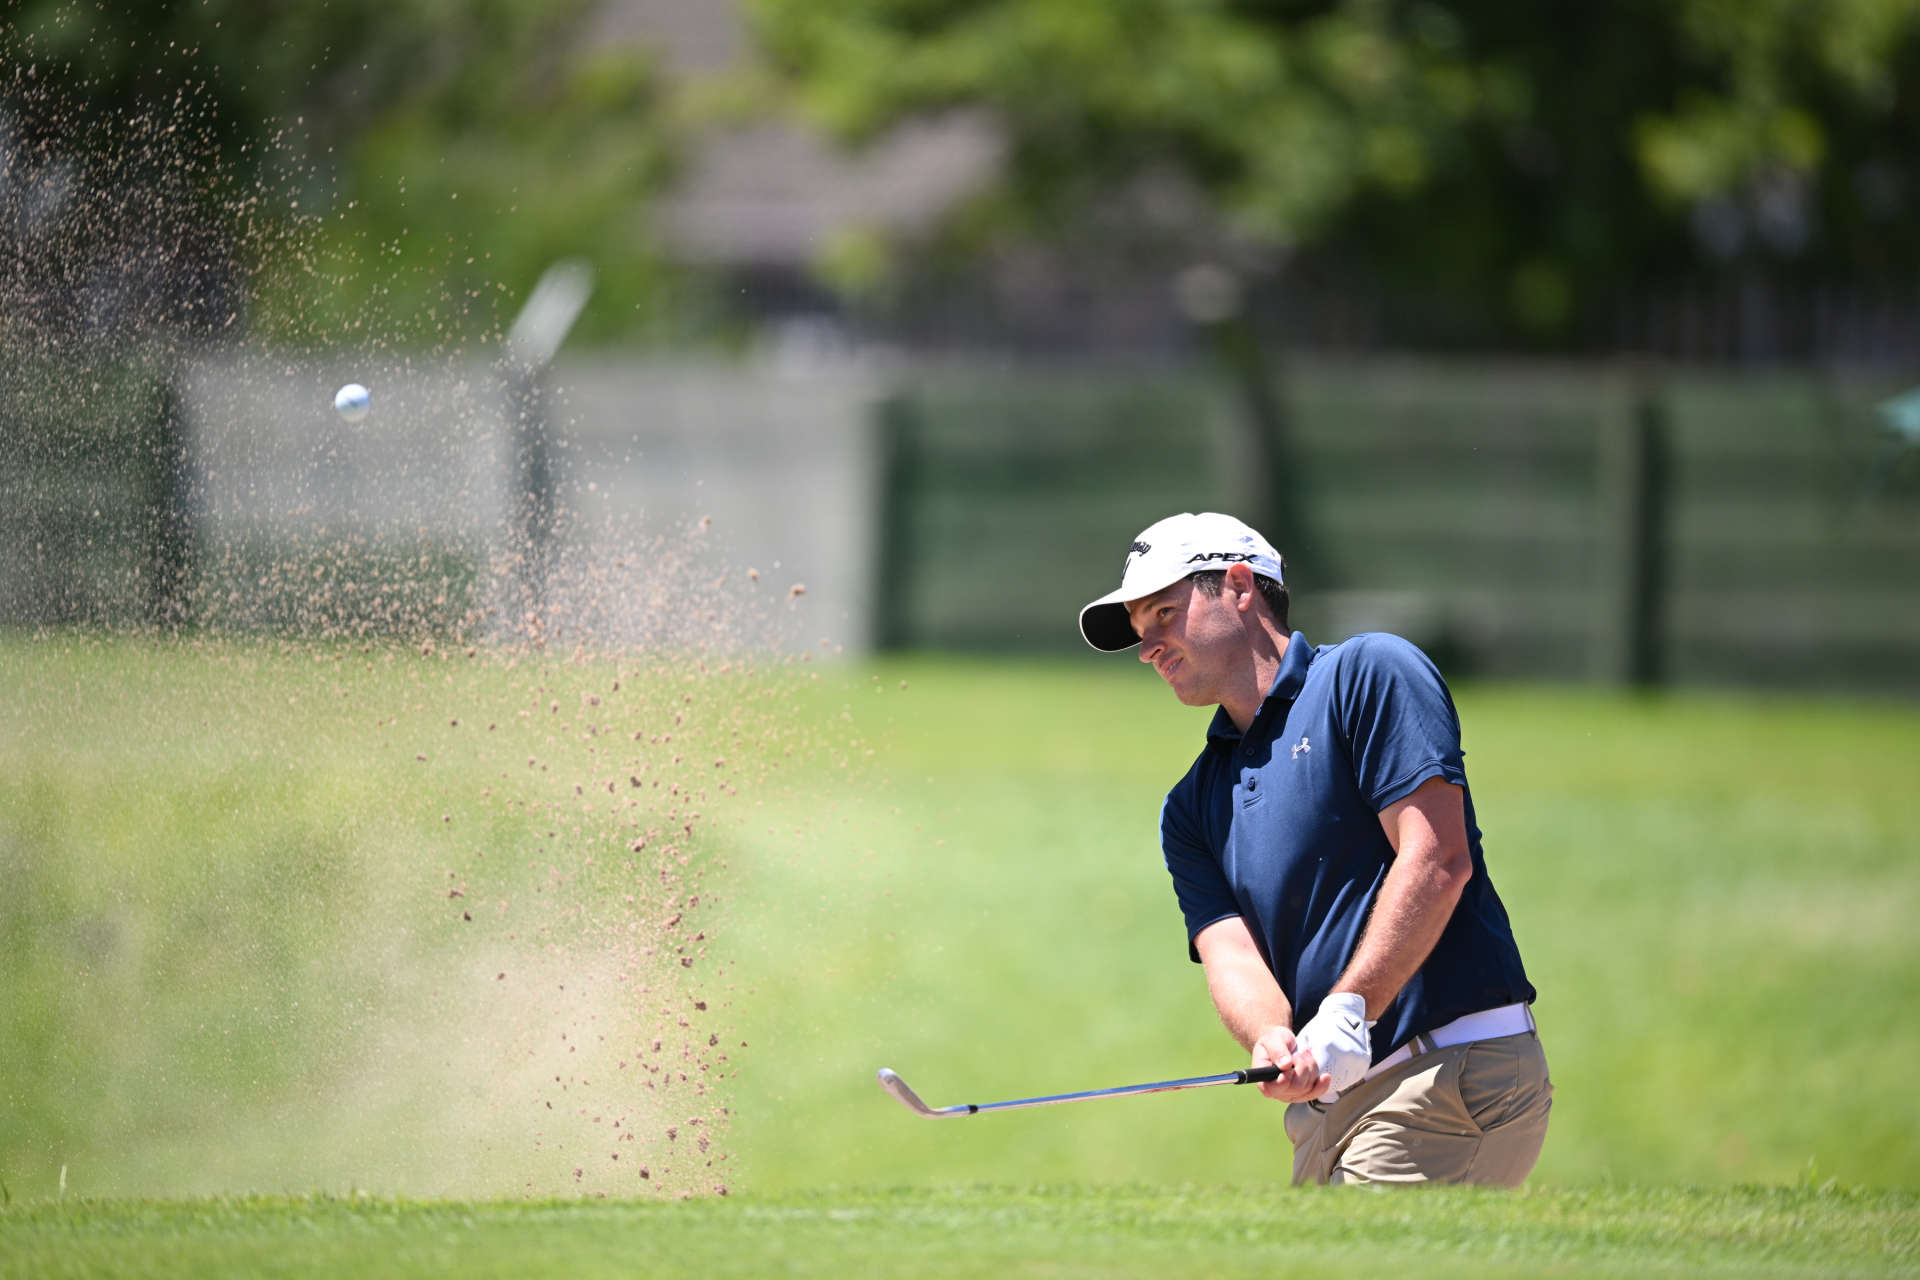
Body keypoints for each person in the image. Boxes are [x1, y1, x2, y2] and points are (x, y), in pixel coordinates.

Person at [1077, 511, 1551, 1187]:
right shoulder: (1190, 806)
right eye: (1139, 630)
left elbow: (1438, 858)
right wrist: (1272, 1037)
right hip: (1329, 1108)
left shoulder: (1368, 675)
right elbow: (1230, 952)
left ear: (1239, 587)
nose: (1149, 645)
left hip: (1445, 1073)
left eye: (1165, 613)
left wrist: (1349, 1009)